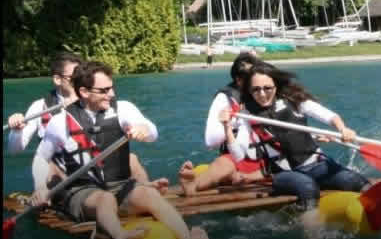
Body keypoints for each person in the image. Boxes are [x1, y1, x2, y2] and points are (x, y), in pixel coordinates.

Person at [31, 61, 207, 239]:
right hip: (82, 191)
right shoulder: (60, 122)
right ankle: (120, 235)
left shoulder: (123, 109)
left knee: (149, 194)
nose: (112, 94)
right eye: (104, 90)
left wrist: (143, 129)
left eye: (112, 88)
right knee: (104, 199)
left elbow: (151, 131)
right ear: (84, 92)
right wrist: (40, 187)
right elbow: (41, 157)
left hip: (121, 186)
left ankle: (186, 236)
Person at [7, 52, 164, 192]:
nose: (79, 79)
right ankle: (50, 196)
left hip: (94, 161)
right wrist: (17, 130)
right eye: (72, 77)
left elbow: (147, 129)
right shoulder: (39, 107)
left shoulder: (99, 100)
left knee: (131, 158)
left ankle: (146, 188)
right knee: (52, 169)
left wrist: (143, 128)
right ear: (57, 79)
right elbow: (15, 150)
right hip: (62, 168)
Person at [225, 61, 369, 210]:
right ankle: (313, 228)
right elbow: (238, 155)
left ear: (276, 85)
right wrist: (227, 127)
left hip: (315, 164)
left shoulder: (294, 100)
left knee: (354, 180)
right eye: (256, 89)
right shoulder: (246, 115)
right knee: (307, 187)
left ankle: (375, 207)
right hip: (283, 173)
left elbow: (328, 116)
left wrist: (343, 129)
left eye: (267, 88)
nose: (262, 94)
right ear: (249, 90)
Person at [178, 52, 262, 195]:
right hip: (236, 157)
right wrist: (233, 122)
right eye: (251, 77)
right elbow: (211, 140)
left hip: (265, 155)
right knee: (225, 165)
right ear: (239, 80)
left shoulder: (266, 92)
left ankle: (242, 177)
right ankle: (193, 185)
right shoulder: (225, 99)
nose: (258, 82)